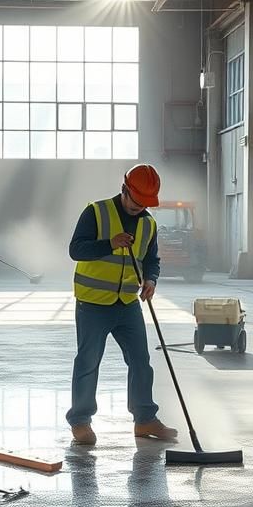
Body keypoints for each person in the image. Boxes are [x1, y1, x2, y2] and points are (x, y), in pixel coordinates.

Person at [66, 164, 179, 445]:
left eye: (145, 204)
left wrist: (151, 279)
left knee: (141, 361)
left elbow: (151, 259)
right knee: (88, 361)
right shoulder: (96, 212)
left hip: (127, 303)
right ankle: (80, 421)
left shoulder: (148, 223)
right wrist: (110, 243)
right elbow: (76, 250)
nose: (139, 208)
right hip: (93, 303)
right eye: (136, 201)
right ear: (124, 189)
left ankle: (145, 419)